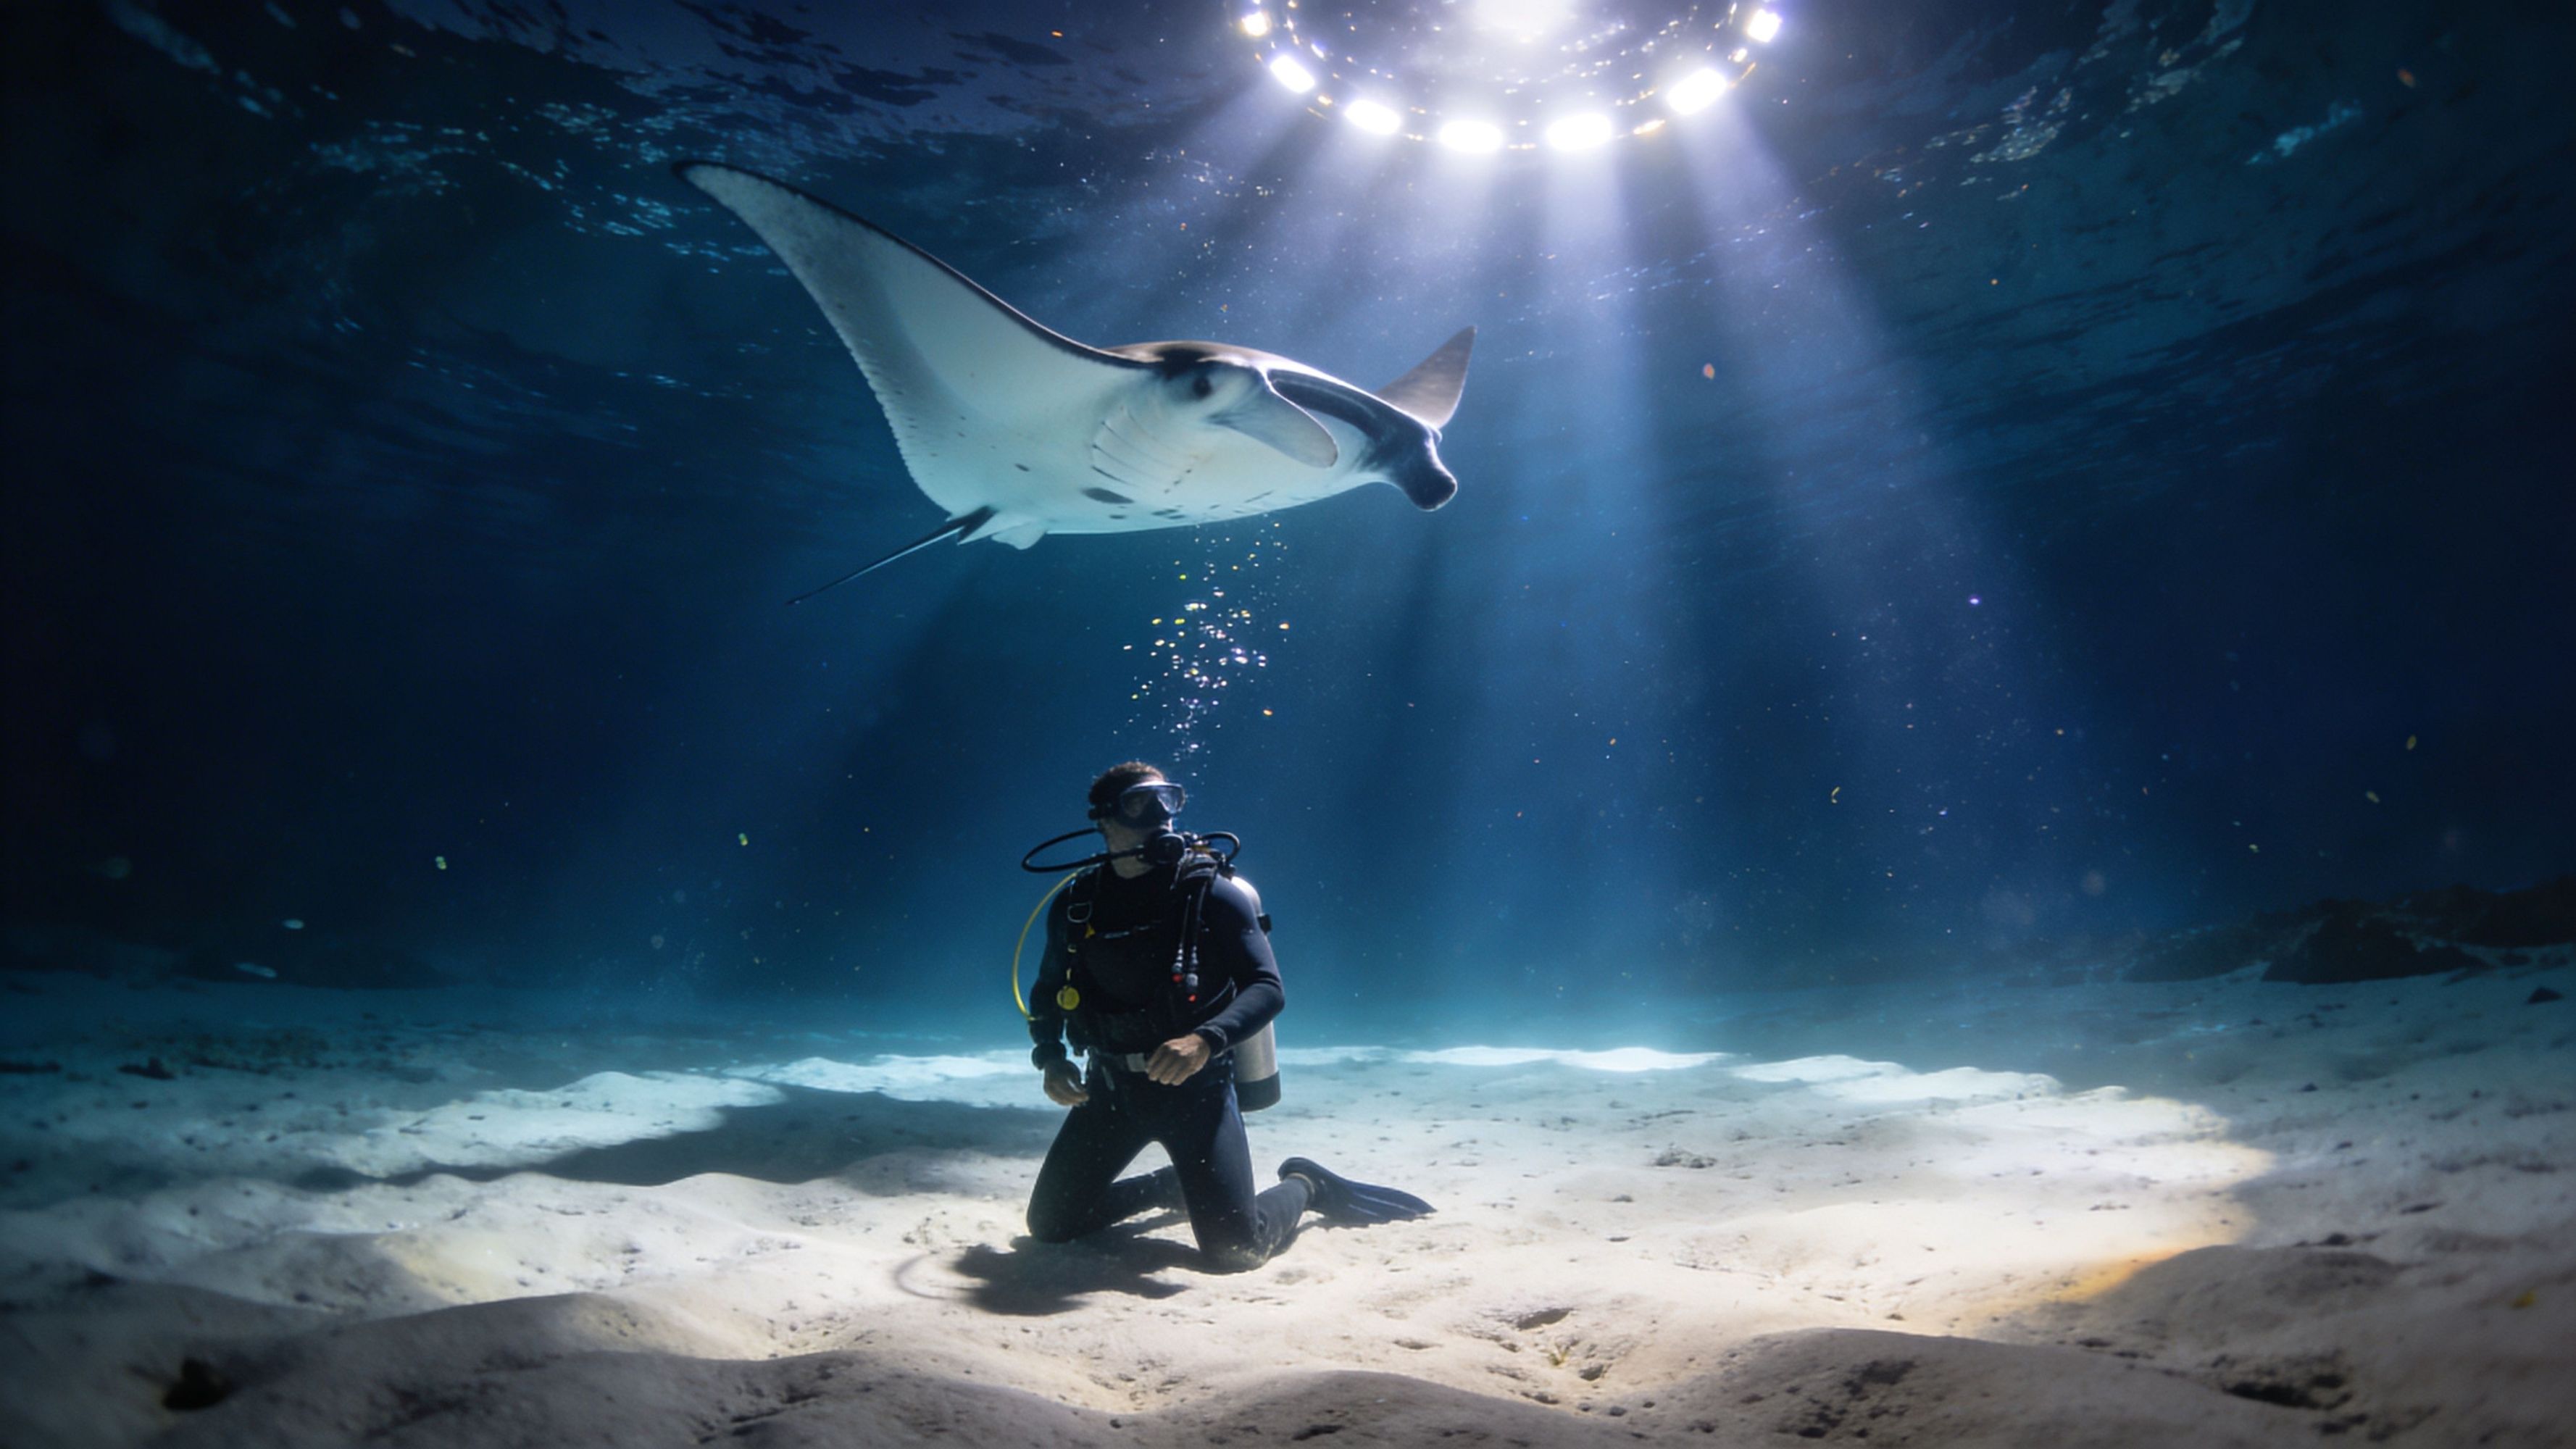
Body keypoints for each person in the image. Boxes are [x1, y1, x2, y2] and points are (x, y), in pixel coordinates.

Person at [1024, 761, 1430, 1271]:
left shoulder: (1211, 892)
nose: (1159, 818)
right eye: (1138, 805)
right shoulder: (1077, 903)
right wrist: (1051, 1058)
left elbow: (1268, 988)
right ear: (1103, 820)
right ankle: (1165, 1186)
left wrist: (1206, 1040)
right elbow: (1046, 992)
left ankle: (1306, 1184)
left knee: (1235, 1251)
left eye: (1168, 801)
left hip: (1198, 1094)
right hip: (1110, 1090)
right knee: (1051, 1225)